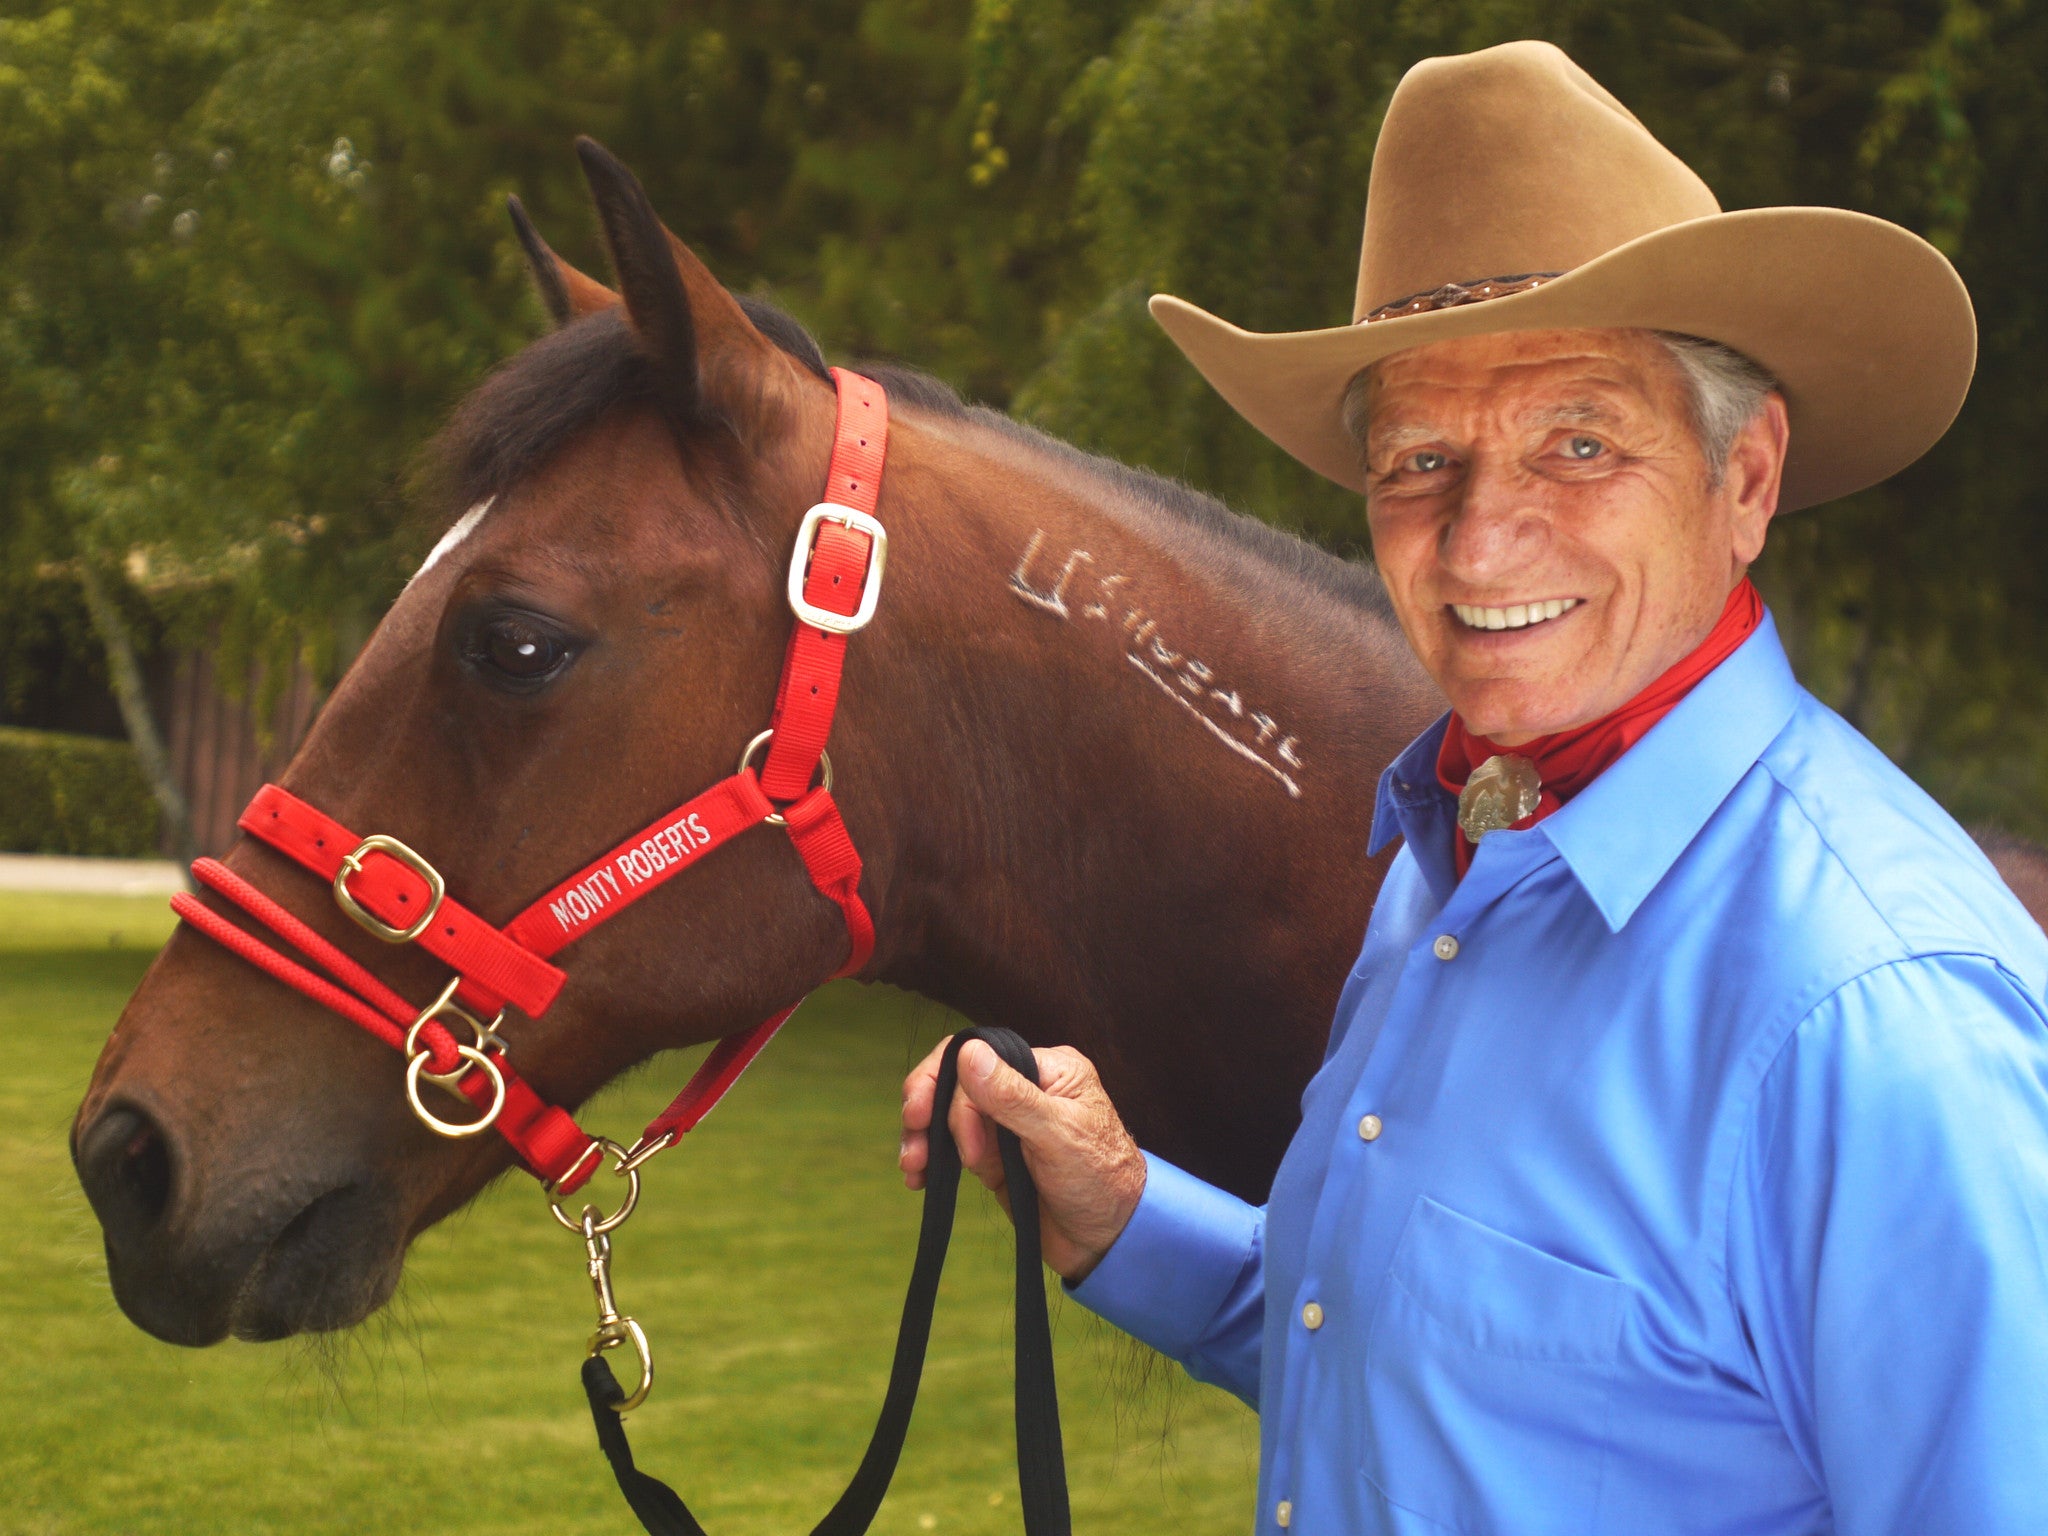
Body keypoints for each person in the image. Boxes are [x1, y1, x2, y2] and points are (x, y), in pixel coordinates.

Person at [898, 40, 2048, 1536]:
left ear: (1747, 477)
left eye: (1580, 443)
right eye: (1420, 460)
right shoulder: (1457, 862)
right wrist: (1121, 1212)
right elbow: (1421, 1386)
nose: (1481, 541)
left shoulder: (1879, 1017)